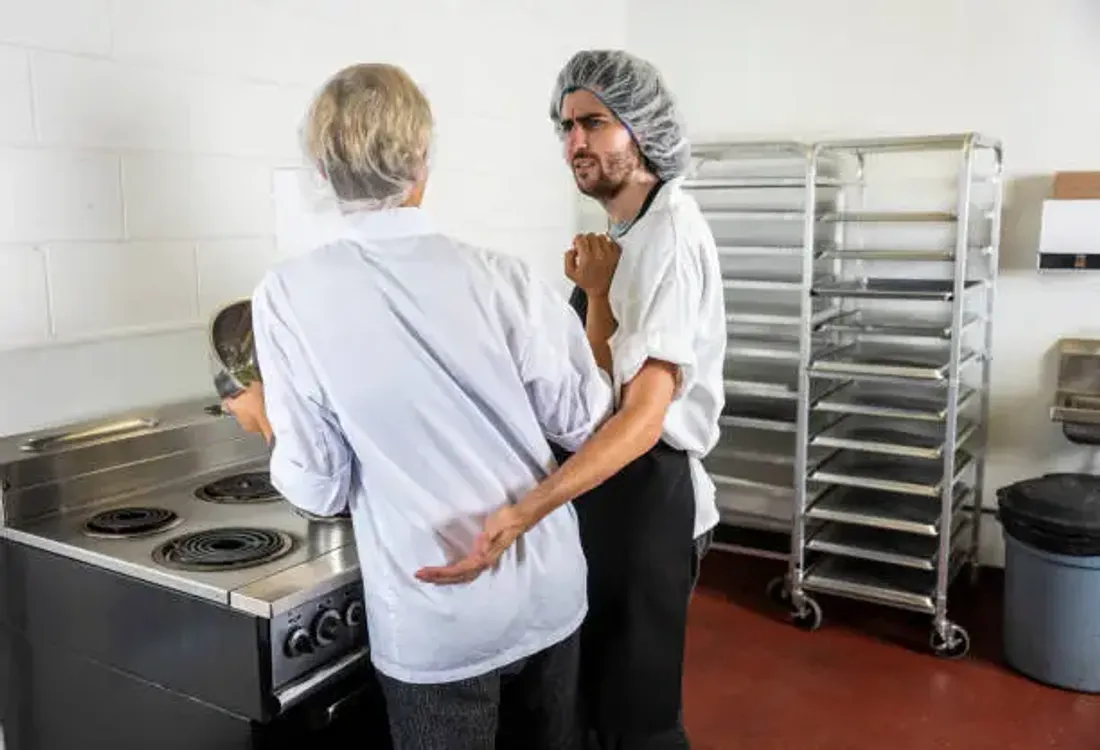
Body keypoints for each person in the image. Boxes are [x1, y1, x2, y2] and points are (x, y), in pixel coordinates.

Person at [221, 62, 617, 750]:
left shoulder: (288, 295)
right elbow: (585, 422)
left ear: (323, 169)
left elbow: (320, 487)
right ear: (423, 158)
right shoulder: (504, 277)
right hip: (547, 592)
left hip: (437, 620)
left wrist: (266, 422)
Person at [418, 50, 726, 750]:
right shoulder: (623, 234)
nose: (575, 143)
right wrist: (595, 295)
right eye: (566, 126)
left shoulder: (671, 235)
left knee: (636, 720)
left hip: (649, 493)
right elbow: (598, 384)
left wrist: (527, 510)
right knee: (594, 705)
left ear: (641, 127)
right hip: (610, 485)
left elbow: (642, 419)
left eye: (594, 123)